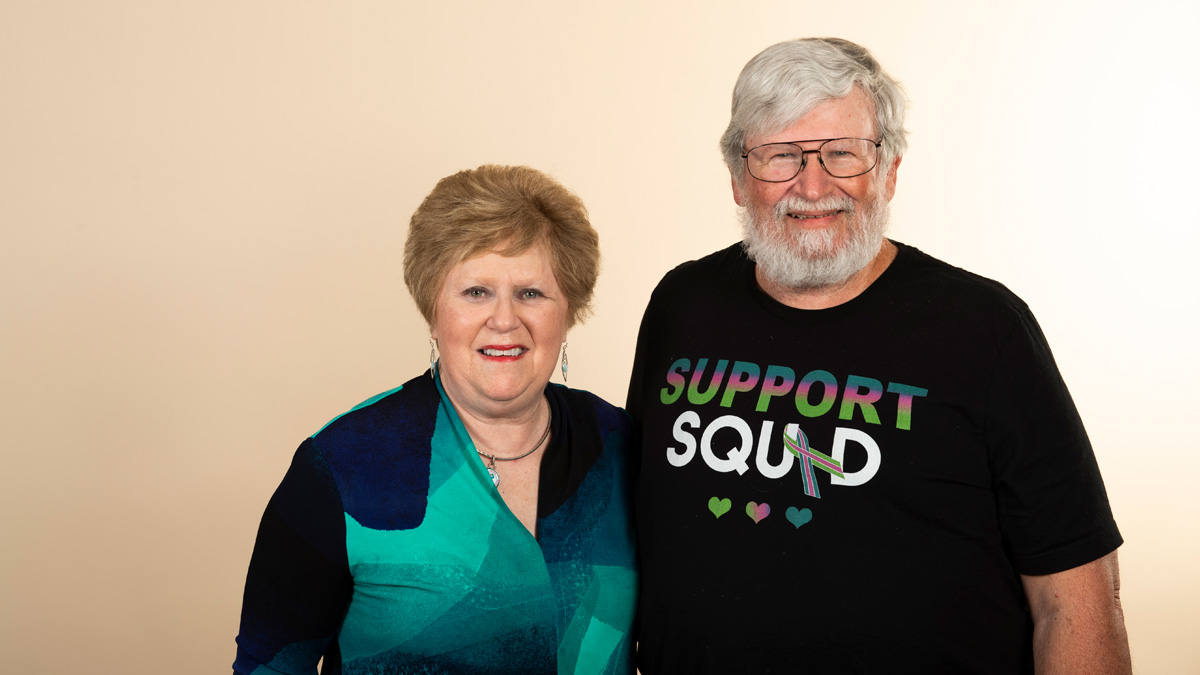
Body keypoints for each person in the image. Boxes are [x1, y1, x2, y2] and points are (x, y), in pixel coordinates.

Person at [627, 38, 1130, 674]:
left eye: (843, 153)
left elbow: (1075, 596)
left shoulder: (984, 330)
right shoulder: (681, 306)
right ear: (736, 177)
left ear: (888, 168)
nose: (813, 186)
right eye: (780, 156)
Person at [234, 165, 638, 674]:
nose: (505, 319)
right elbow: (269, 667)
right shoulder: (343, 464)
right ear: (433, 309)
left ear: (568, 311)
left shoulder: (621, 446)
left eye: (531, 293)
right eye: (475, 292)